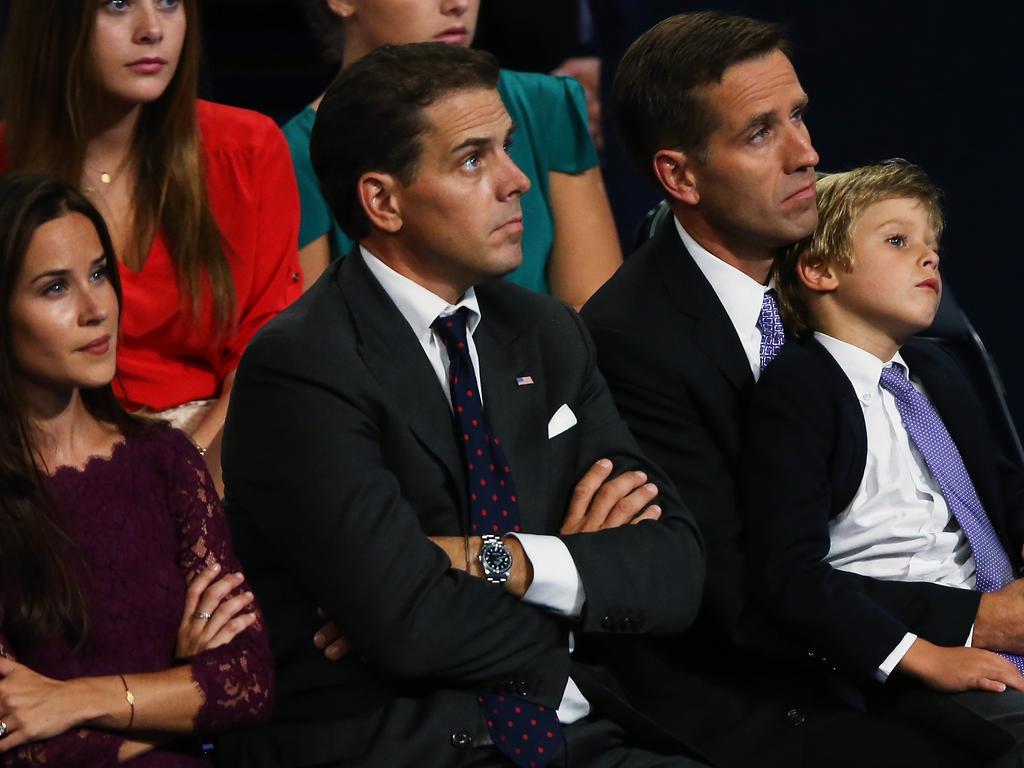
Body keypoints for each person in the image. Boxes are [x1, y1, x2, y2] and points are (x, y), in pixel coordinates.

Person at [218, 43, 707, 767]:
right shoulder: (304, 363)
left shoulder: (546, 333)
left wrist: (494, 560)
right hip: (397, 742)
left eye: (508, 149)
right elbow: (405, 622)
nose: (518, 182)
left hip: (577, 736)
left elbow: (674, 569)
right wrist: (573, 604)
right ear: (382, 200)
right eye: (474, 160)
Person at [581, 12, 978, 766]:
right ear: (680, 175)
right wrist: (973, 620)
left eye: (797, 115)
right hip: (772, 690)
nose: (809, 154)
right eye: (761, 133)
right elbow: (732, 591)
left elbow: (974, 453)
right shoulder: (631, 343)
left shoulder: (855, 260)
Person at [742, 160, 1024, 767]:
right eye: (898, 241)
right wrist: (924, 652)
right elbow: (788, 573)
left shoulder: (941, 374)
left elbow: (1004, 491)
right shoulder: (800, 390)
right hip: (912, 660)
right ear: (817, 269)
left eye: (932, 245)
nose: (930, 258)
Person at [0, 173, 273, 767]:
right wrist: (176, 696)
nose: (97, 308)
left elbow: (247, 681)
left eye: (99, 274)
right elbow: (18, 741)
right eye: (54, 288)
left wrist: (72, 700)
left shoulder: (164, 460)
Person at [0, 0, 303, 494]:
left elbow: (268, 349)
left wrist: (189, 469)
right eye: (118, 5)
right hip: (49, 461)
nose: (152, 29)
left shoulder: (248, 148)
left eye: (169, 3)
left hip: (223, 445)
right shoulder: (8, 164)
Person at [286, 0, 621, 307]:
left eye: (506, 146)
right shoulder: (295, 153)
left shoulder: (543, 104)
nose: (457, 5)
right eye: (472, 159)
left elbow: (594, 313)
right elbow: (312, 344)